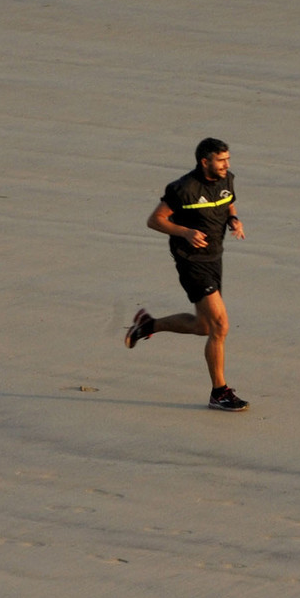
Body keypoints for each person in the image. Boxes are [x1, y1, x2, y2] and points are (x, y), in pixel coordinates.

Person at [124, 137, 248, 410]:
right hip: (191, 261)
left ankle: (148, 325)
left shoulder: (227, 179)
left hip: (215, 258)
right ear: (205, 162)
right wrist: (186, 232)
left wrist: (233, 219)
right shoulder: (183, 189)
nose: (226, 164)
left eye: (228, 159)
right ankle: (220, 392)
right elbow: (154, 220)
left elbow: (228, 202)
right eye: (221, 160)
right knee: (220, 326)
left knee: (203, 326)